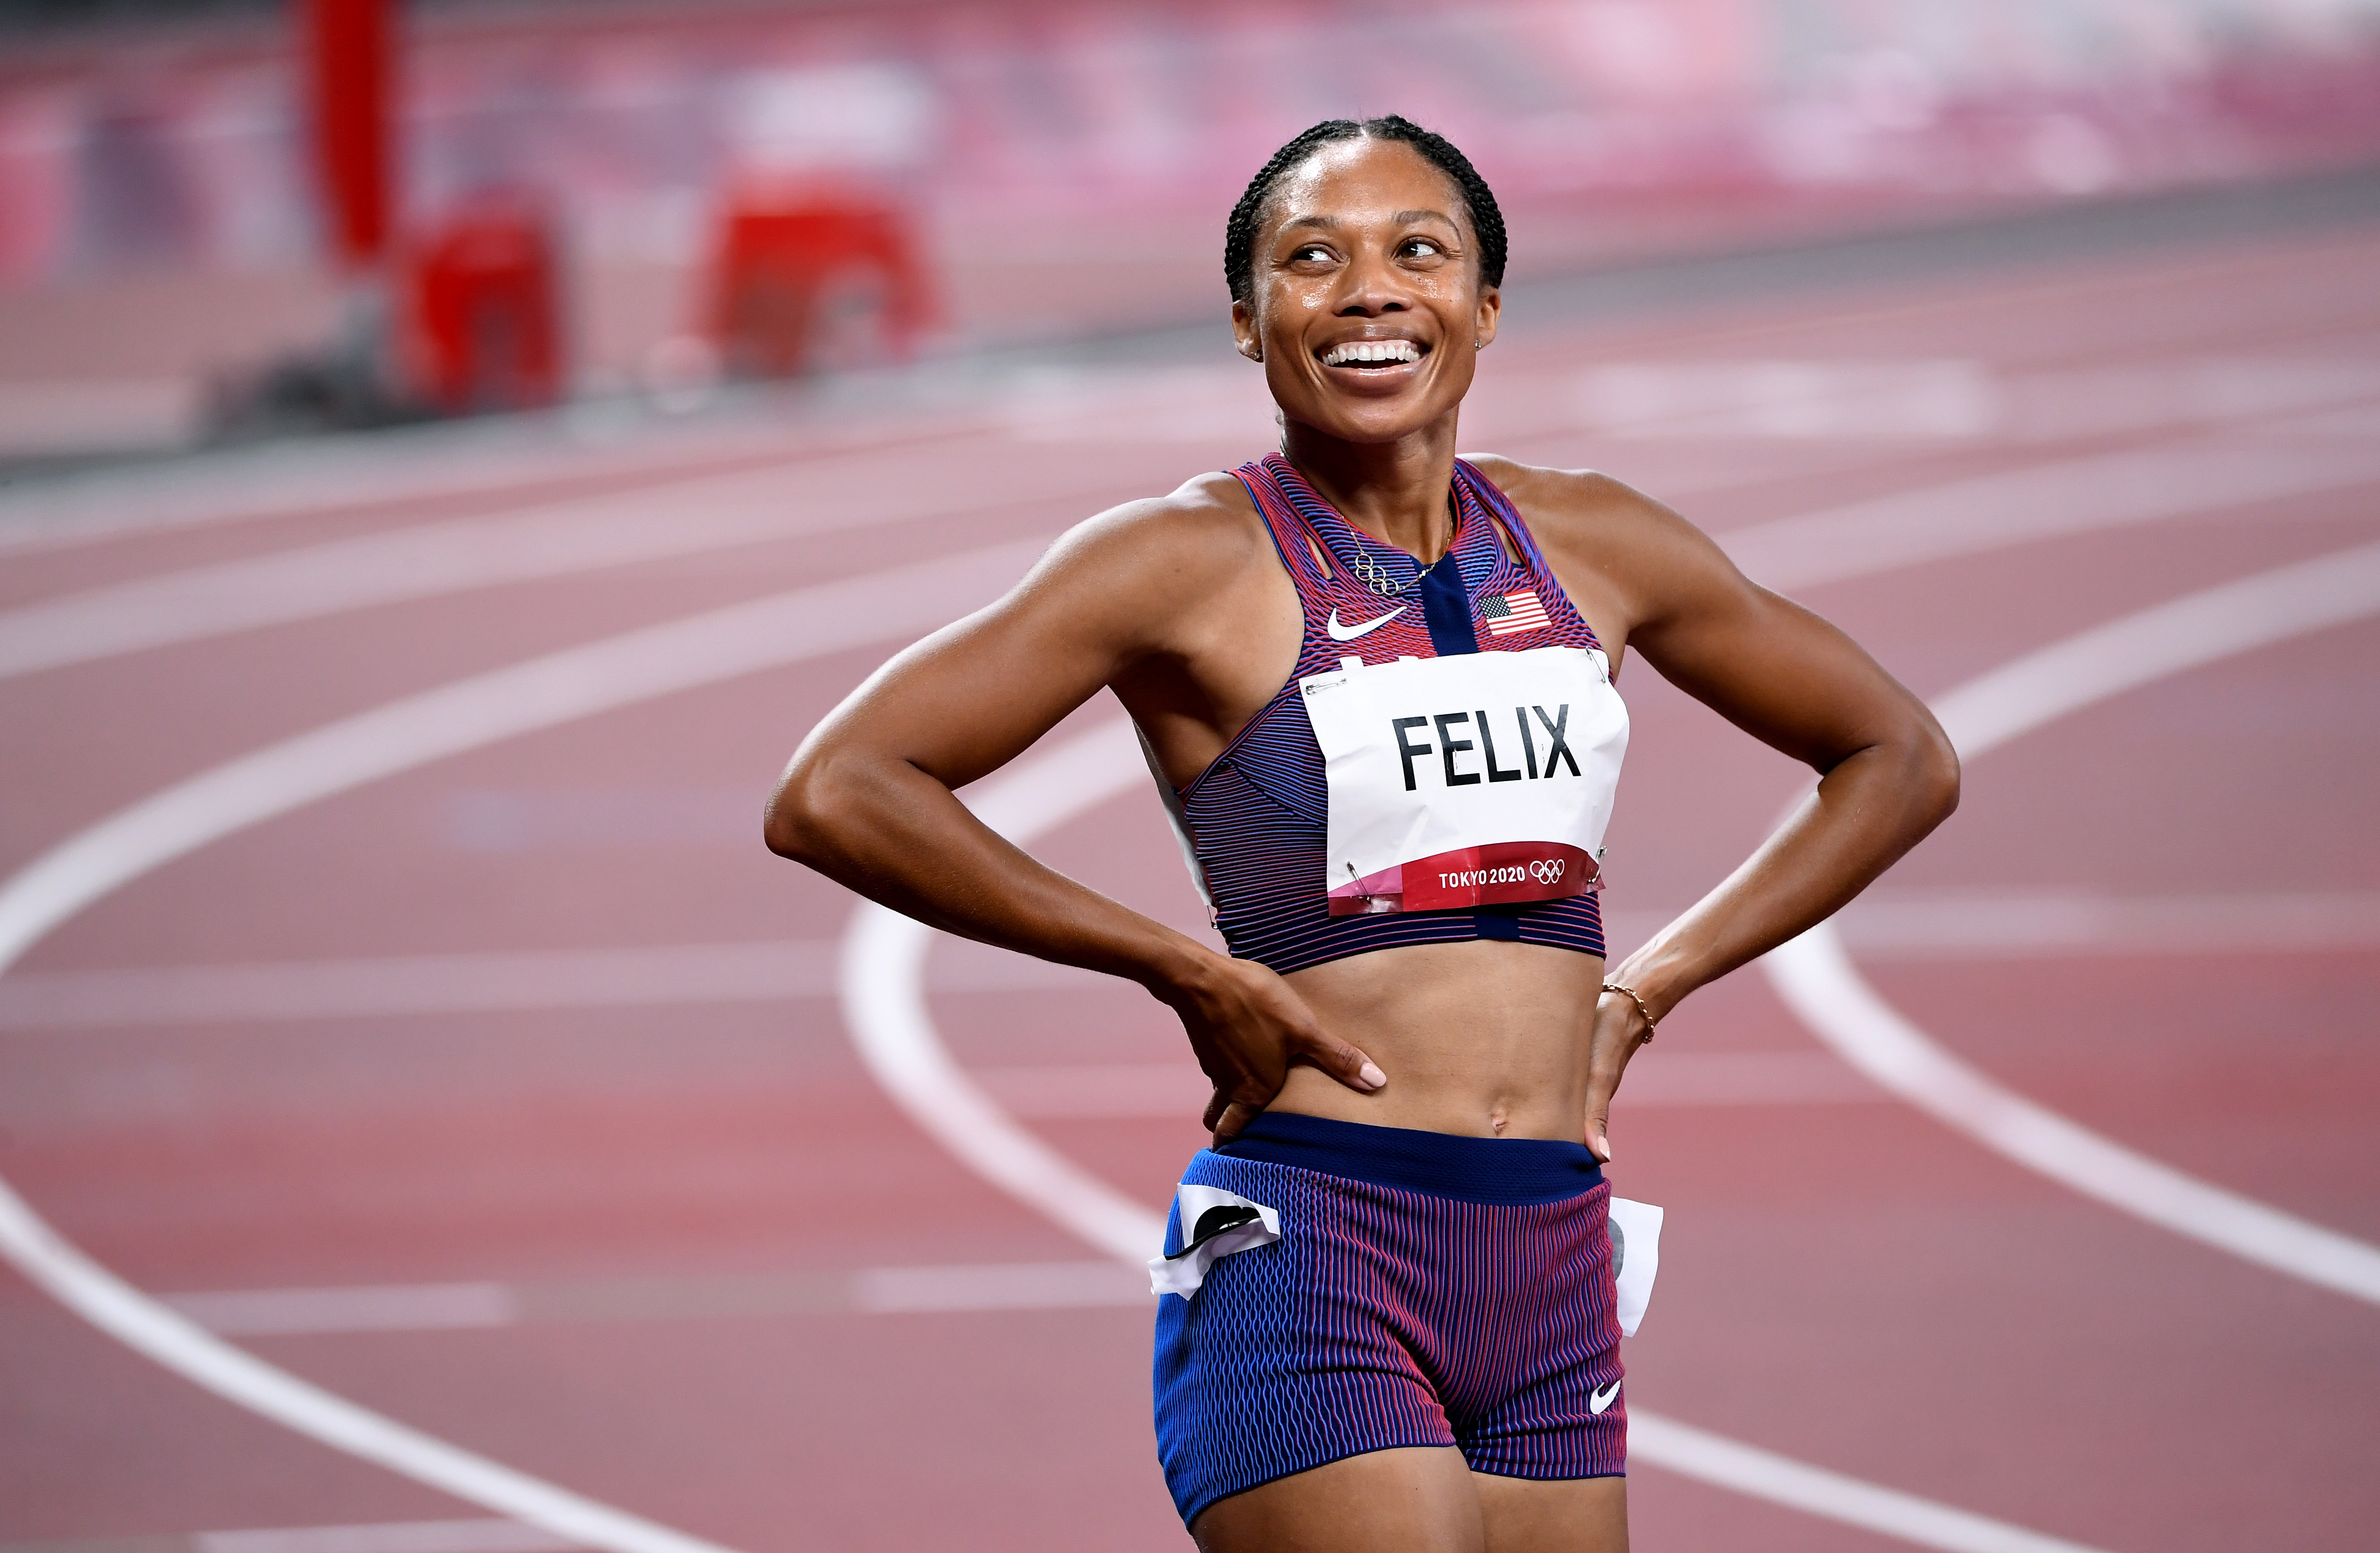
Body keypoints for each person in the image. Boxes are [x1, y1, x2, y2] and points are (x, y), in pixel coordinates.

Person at [766, 114, 1958, 1553]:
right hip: (1322, 1243)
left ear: (1486, 304)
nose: (1371, 290)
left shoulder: (1598, 543)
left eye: (1418, 252)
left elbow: (1897, 754)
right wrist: (1176, 966)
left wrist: (1648, 987)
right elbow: (839, 789)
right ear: (1246, 316)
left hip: (1550, 1253)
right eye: (1312, 259)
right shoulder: (1179, 561)